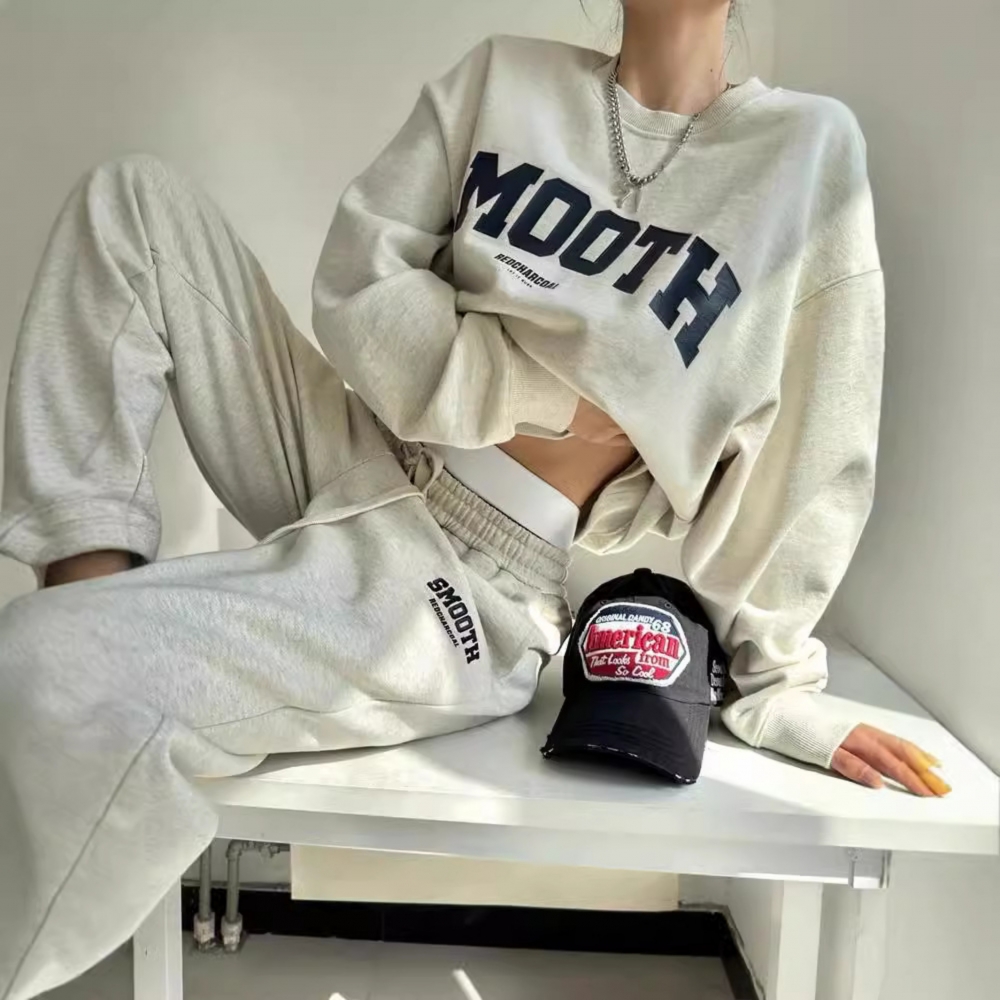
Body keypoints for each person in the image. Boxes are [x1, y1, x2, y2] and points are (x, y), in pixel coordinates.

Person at [0, 1, 950, 997]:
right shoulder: (502, 79)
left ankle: (76, 664)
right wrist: (555, 402)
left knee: (36, 659)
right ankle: (88, 600)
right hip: (357, 443)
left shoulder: (803, 153)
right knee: (134, 205)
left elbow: (815, 447)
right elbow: (359, 291)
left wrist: (778, 687)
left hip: (469, 581)